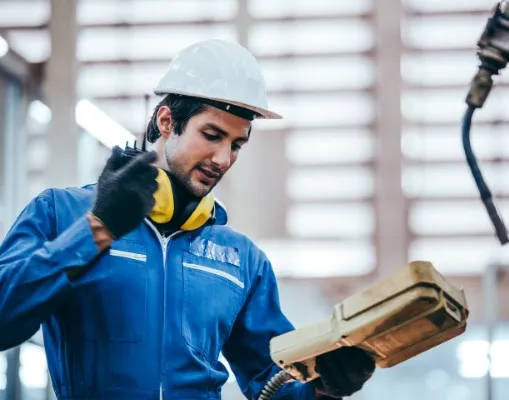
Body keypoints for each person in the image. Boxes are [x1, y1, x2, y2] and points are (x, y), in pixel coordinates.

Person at [0, 39, 375, 399]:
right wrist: (97, 229)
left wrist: (324, 387)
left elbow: (273, 384)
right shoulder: (60, 214)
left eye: (236, 145)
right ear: (166, 121)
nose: (223, 159)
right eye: (211, 135)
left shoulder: (241, 259)